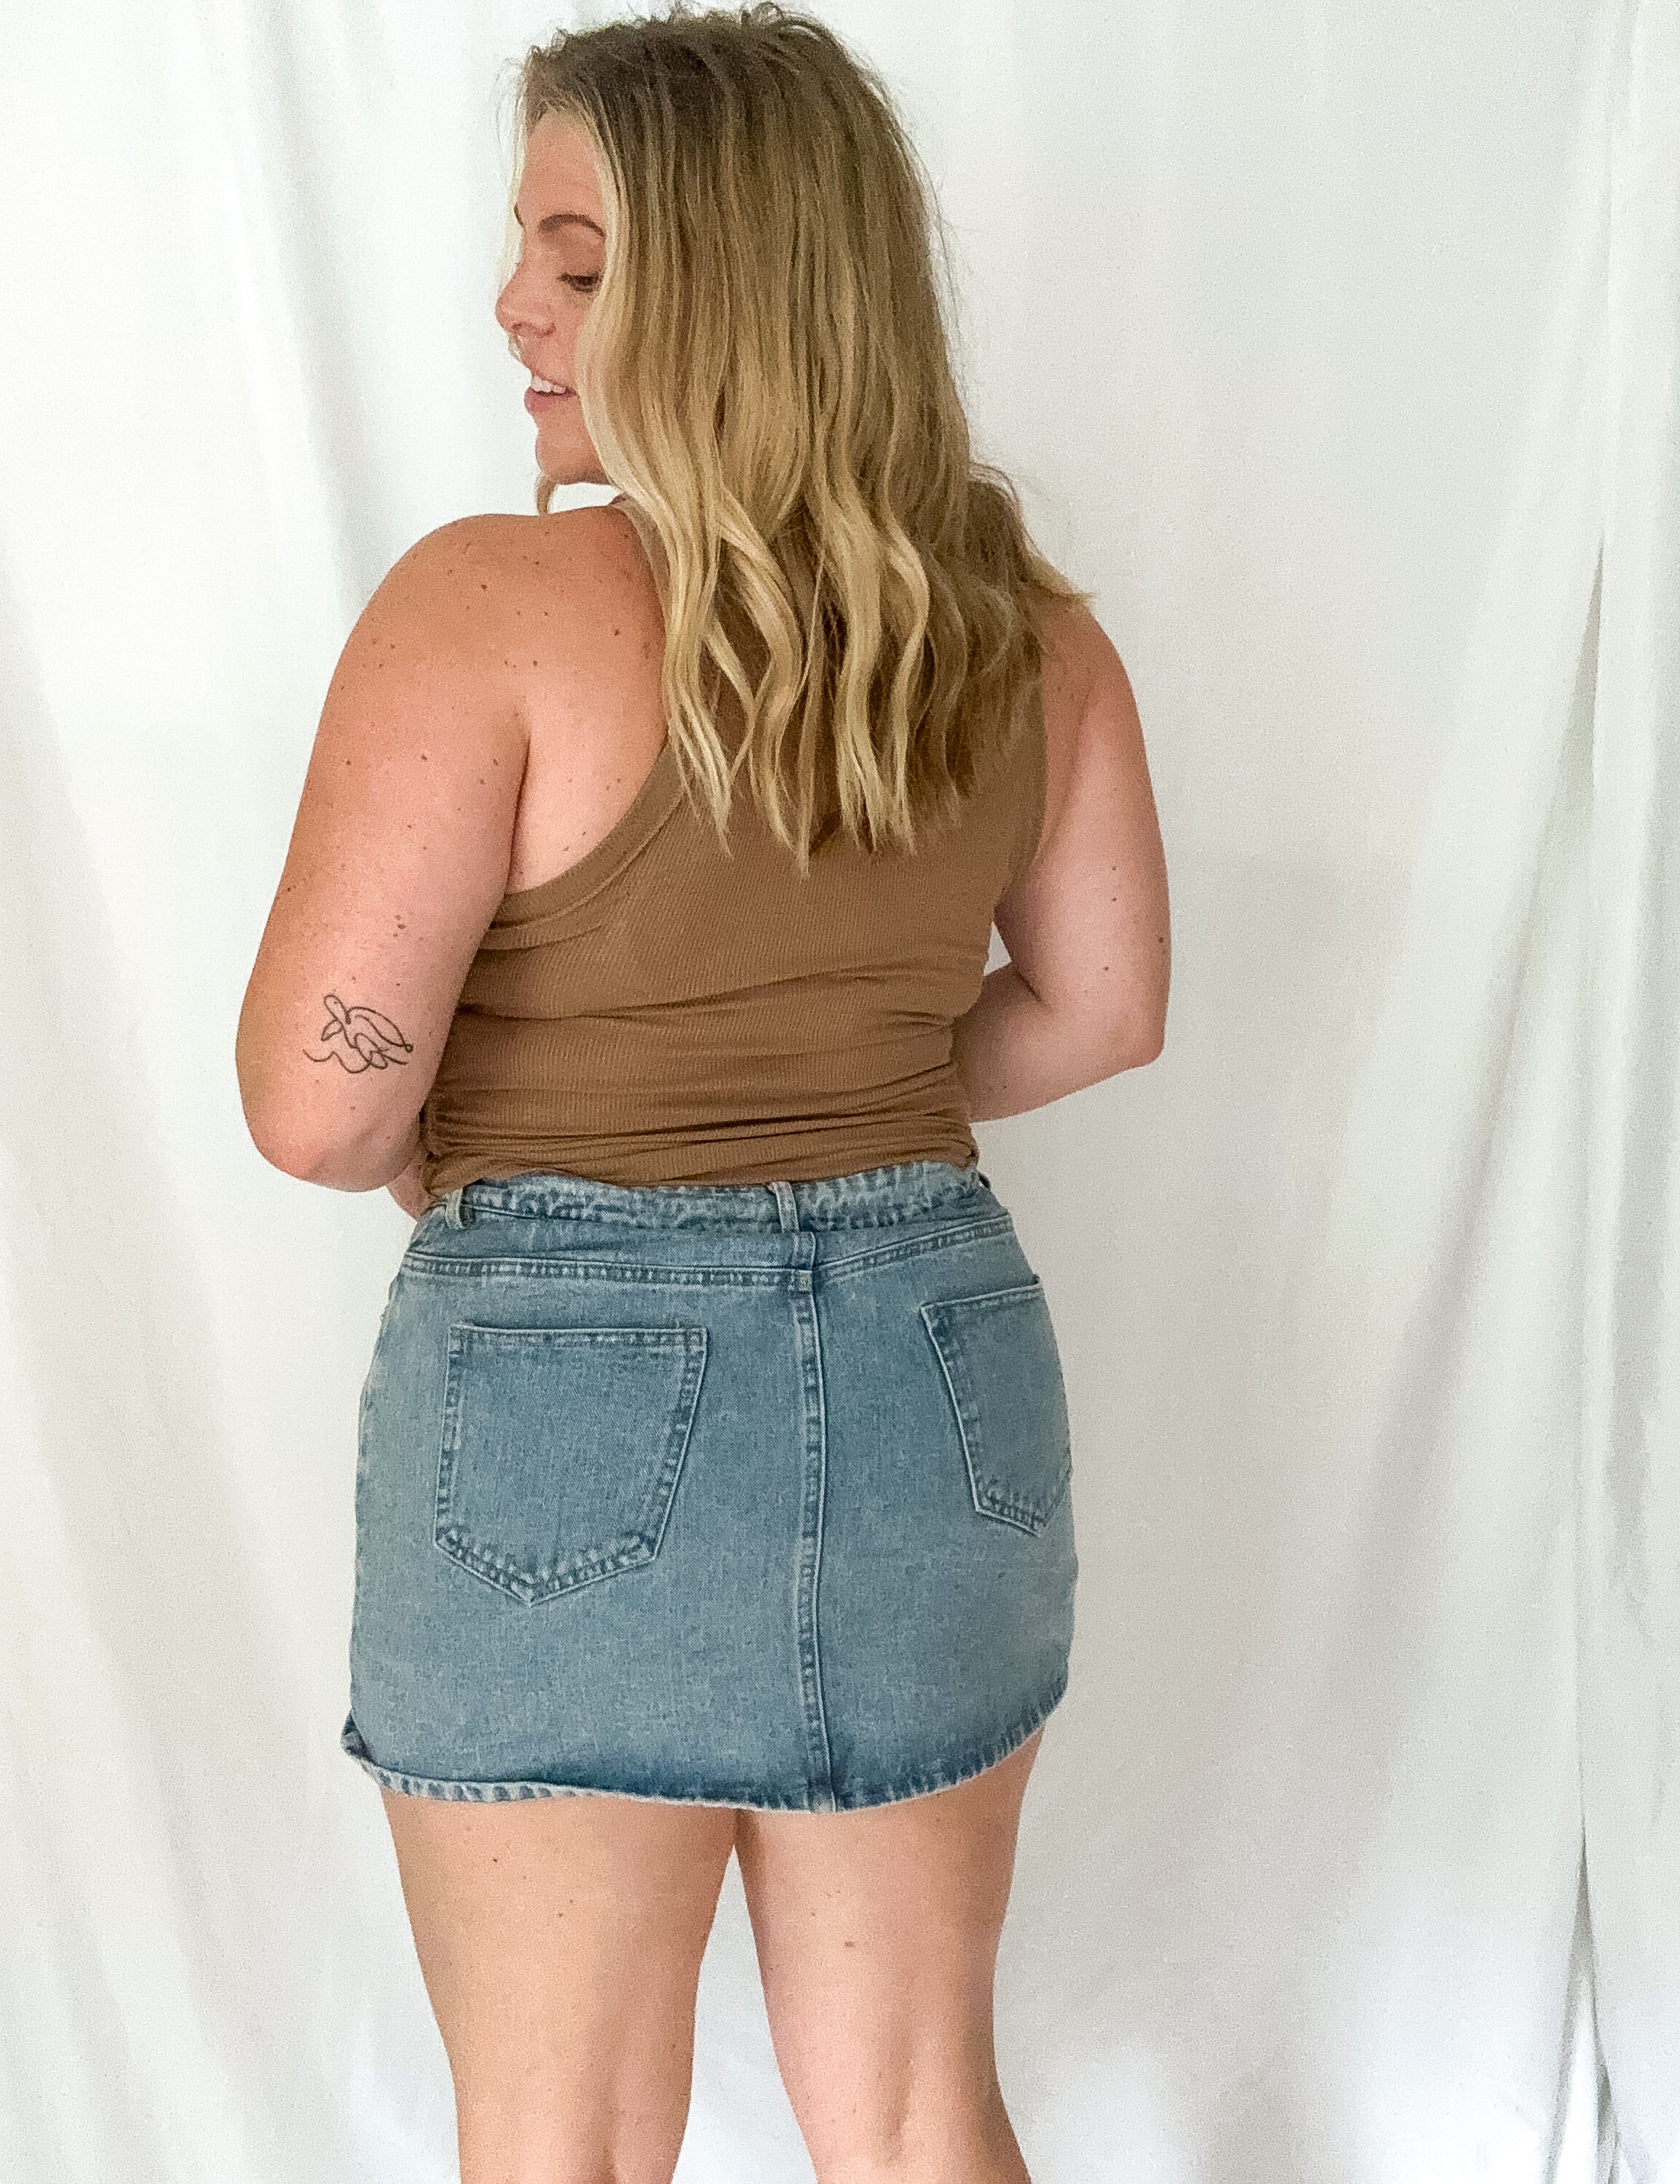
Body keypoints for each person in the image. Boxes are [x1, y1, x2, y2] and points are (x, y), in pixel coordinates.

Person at [234, 6, 1169, 2179]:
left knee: (556, 2135)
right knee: (925, 2104)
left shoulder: (486, 609)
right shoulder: (1032, 636)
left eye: (572, 256)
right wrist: (832, 1095)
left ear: (728, 286)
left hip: (564, 1385)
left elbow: (313, 1108)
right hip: (944, 1365)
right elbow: (1101, 1008)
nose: (511, 307)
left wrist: (535, 1105)